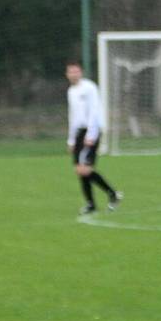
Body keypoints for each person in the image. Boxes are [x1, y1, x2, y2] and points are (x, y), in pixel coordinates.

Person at [65, 62, 122, 215]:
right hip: (78, 133)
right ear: (67, 74)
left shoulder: (89, 87)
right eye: (71, 72)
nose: (73, 74)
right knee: (79, 170)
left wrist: (91, 134)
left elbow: (94, 111)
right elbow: (73, 116)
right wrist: (71, 140)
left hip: (91, 130)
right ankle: (91, 204)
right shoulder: (71, 91)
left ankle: (113, 194)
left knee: (86, 169)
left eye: (76, 71)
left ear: (81, 73)